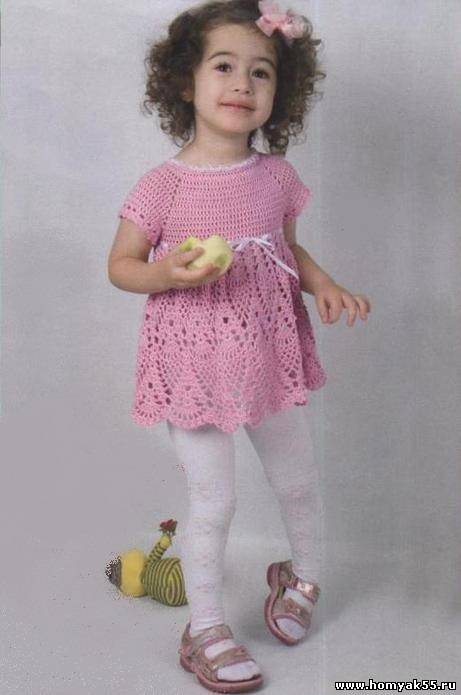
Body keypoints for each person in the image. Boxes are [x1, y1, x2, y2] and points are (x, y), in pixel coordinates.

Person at [108, 0, 371, 691]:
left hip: (265, 361)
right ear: (183, 81)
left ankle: (302, 575)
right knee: (215, 501)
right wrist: (165, 273)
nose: (242, 84)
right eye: (223, 66)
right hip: (193, 368)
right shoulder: (162, 186)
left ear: (280, 91)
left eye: (261, 72)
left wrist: (324, 284)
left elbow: (287, 250)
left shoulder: (274, 177)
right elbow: (121, 265)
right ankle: (204, 627)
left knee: (297, 478)